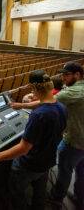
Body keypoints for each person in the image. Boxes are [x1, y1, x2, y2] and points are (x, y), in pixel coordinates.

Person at [0, 70, 67, 210]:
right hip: (48, 161)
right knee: (39, 192)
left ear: (33, 88)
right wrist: (22, 106)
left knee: (16, 193)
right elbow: (45, 103)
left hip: (29, 165)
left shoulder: (38, 115)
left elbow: (23, 148)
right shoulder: (61, 107)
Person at [50, 62, 84, 209]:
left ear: (77, 75)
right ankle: (79, 198)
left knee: (64, 170)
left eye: (66, 75)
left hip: (75, 141)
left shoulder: (75, 91)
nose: (63, 78)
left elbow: (49, 101)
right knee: (82, 171)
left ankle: (56, 199)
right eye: (62, 75)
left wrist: (22, 104)